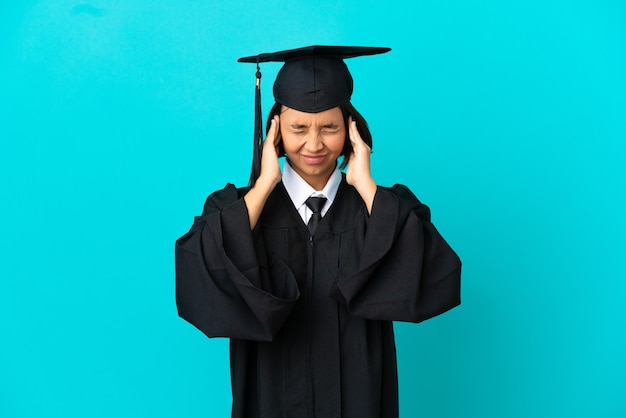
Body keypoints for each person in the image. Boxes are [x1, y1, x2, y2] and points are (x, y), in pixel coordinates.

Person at [175, 46, 461, 418]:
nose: (314, 144)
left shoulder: (381, 209)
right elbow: (197, 276)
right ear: (275, 131)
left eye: (330, 128)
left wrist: (366, 185)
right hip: (270, 401)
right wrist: (262, 189)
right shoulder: (238, 210)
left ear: (351, 130)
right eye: (298, 128)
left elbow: (438, 273)